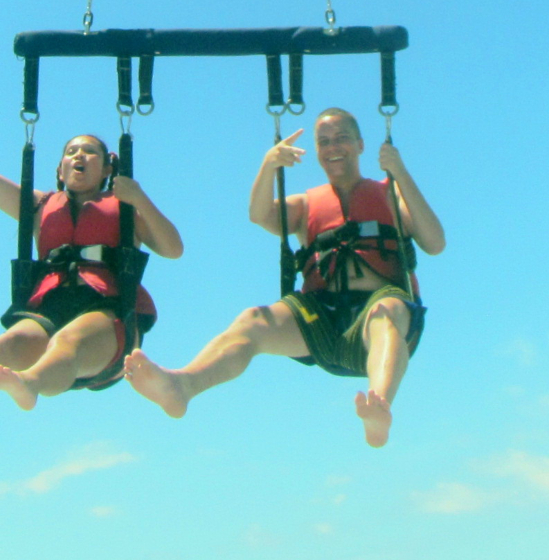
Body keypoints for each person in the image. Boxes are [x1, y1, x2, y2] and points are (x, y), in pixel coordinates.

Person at [124, 107, 444, 446]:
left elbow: (435, 243)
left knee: (387, 312)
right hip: (322, 323)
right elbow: (259, 214)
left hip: (378, 316)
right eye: (324, 141)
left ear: (361, 145)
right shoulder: (307, 205)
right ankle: (182, 385)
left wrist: (400, 172)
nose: (333, 147)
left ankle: (378, 407)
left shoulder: (391, 195)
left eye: (342, 139)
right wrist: (269, 165)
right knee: (252, 321)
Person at [0, 102, 183, 412]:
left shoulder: (126, 210)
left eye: (89, 152)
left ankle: (30, 384)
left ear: (108, 169)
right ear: (60, 170)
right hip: (49, 306)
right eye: (71, 152)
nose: (79, 157)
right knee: (8, 345)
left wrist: (139, 198)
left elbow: (173, 249)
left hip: (109, 311)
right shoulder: (39, 207)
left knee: (68, 341)